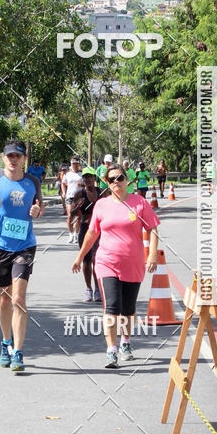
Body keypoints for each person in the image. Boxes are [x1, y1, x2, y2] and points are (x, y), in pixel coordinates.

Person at [72, 165, 159, 368]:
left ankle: (125, 342)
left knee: (128, 309)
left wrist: (153, 254)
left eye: (119, 178)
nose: (116, 182)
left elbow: (152, 229)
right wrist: (80, 257)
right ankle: (111, 350)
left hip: (133, 263)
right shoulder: (101, 205)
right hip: (106, 262)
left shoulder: (140, 203)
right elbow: (92, 233)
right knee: (111, 307)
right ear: (107, 183)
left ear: (126, 179)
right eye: (111, 179)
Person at [0, 140, 45, 373]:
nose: (13, 159)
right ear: (4, 158)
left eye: (18, 156)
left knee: (18, 299)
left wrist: (37, 211)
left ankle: (18, 351)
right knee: (4, 299)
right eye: (10, 156)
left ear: (24, 159)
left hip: (25, 246)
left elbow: (40, 207)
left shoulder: (32, 181)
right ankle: (6, 342)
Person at [70, 167, 103, 302]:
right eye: (85, 177)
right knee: (87, 260)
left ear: (94, 178)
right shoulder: (80, 193)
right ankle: (88, 289)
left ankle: (98, 289)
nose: (88, 179)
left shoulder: (102, 193)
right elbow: (72, 214)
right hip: (85, 228)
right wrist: (77, 207)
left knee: (97, 259)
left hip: (99, 230)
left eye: (90, 176)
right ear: (83, 179)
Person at [62, 157, 83, 243]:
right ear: (71, 164)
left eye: (76, 163)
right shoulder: (67, 174)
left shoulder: (81, 174)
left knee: (78, 217)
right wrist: (64, 192)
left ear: (78, 164)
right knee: (70, 216)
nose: (75, 165)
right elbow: (63, 183)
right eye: (73, 163)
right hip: (70, 197)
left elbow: (86, 184)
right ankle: (70, 234)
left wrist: (82, 185)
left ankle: (76, 234)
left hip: (79, 198)